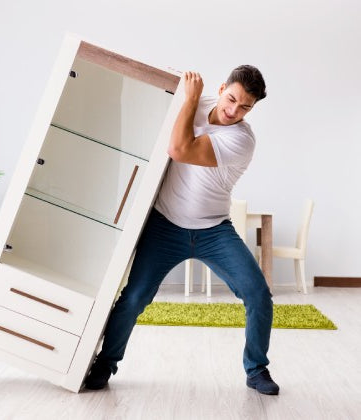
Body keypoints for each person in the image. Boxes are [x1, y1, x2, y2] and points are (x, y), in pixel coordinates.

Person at [83, 65, 279, 396]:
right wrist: (189, 99)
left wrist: (189, 101)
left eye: (245, 107)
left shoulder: (242, 140)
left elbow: (179, 150)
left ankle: (256, 369)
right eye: (231, 99)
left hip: (214, 231)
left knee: (258, 294)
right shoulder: (195, 101)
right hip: (164, 226)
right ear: (221, 88)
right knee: (134, 297)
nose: (233, 111)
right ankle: (105, 363)